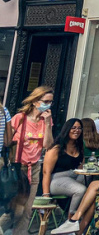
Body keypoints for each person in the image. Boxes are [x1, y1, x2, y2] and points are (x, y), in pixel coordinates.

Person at [10, 85, 54, 226]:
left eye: (50, 102)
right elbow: (6, 141)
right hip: (17, 167)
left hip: (34, 167)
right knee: (14, 210)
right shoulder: (19, 118)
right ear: (35, 101)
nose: (48, 105)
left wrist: (47, 124)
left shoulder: (46, 121)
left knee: (27, 210)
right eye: (45, 101)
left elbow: (48, 145)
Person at [41, 119, 86, 217]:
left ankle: (84, 215)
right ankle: (72, 218)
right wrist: (46, 195)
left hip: (73, 177)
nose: (77, 130)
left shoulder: (79, 147)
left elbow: (81, 168)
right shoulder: (56, 148)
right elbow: (46, 172)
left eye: (79, 128)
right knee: (80, 190)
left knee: (90, 180)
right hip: (55, 180)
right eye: (73, 128)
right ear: (67, 129)